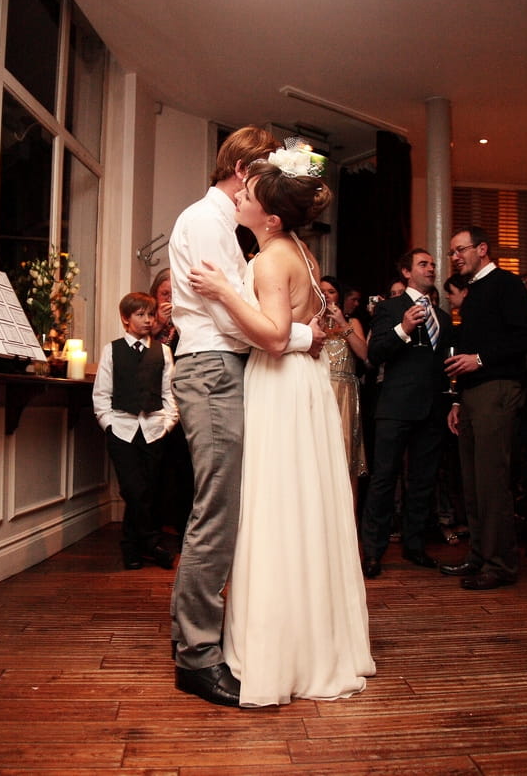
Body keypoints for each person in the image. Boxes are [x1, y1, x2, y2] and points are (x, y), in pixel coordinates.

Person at [189, 147, 375, 706]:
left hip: (281, 381)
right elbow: (304, 324)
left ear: (269, 218)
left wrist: (223, 290)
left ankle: (278, 652)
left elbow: (272, 334)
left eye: (249, 195)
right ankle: (315, 640)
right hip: (307, 383)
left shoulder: (270, 258)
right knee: (306, 510)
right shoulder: (302, 253)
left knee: (276, 510)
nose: (239, 194)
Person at [169, 126, 324, 708]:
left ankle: (190, 638)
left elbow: (252, 312)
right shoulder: (206, 222)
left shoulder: (222, 226)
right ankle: (197, 657)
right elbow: (241, 319)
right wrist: (305, 334)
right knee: (218, 512)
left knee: (221, 508)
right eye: (261, 176)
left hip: (221, 366)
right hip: (211, 368)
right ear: (244, 172)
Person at [442, 226, 527, 589]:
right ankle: (479, 557)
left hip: (497, 390)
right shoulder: (476, 290)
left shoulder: (506, 284)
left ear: (482, 249)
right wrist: (456, 400)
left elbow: (526, 336)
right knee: (472, 481)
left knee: (492, 480)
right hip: (472, 396)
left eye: (460, 250)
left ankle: (500, 565)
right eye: (453, 252)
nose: (455, 257)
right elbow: (469, 347)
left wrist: (479, 360)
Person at [360, 248, 452, 578]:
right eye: (424, 264)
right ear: (406, 272)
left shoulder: (442, 316)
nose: (431, 269)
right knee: (384, 479)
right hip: (396, 407)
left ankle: (415, 546)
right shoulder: (390, 308)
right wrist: (403, 328)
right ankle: (373, 552)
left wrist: (451, 401)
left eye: (432, 265)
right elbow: (375, 352)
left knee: (423, 481)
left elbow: (444, 364)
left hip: (432, 408)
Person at [92, 292, 179, 570]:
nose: (147, 320)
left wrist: (168, 423)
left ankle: (132, 548)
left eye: (150, 315)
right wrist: (108, 424)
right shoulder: (112, 350)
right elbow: (101, 393)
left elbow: (170, 393)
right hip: (122, 430)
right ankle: (151, 544)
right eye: (140, 315)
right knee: (133, 489)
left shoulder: (163, 352)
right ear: (125, 319)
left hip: (153, 429)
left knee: (149, 491)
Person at [149, 267, 193, 539]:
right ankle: (154, 526)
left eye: (175, 294)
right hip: (152, 403)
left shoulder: (187, 324)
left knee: (183, 462)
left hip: (182, 402)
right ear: (155, 295)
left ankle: (181, 523)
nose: (169, 299)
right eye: (165, 293)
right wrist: (157, 326)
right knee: (154, 465)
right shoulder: (143, 319)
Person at [320, 275, 369, 513]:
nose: (327, 295)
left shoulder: (352, 322)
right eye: (322, 291)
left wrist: (341, 321)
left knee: (346, 457)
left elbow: (364, 354)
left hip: (345, 395)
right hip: (320, 392)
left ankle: (349, 522)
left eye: (331, 291)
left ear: (338, 295)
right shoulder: (313, 323)